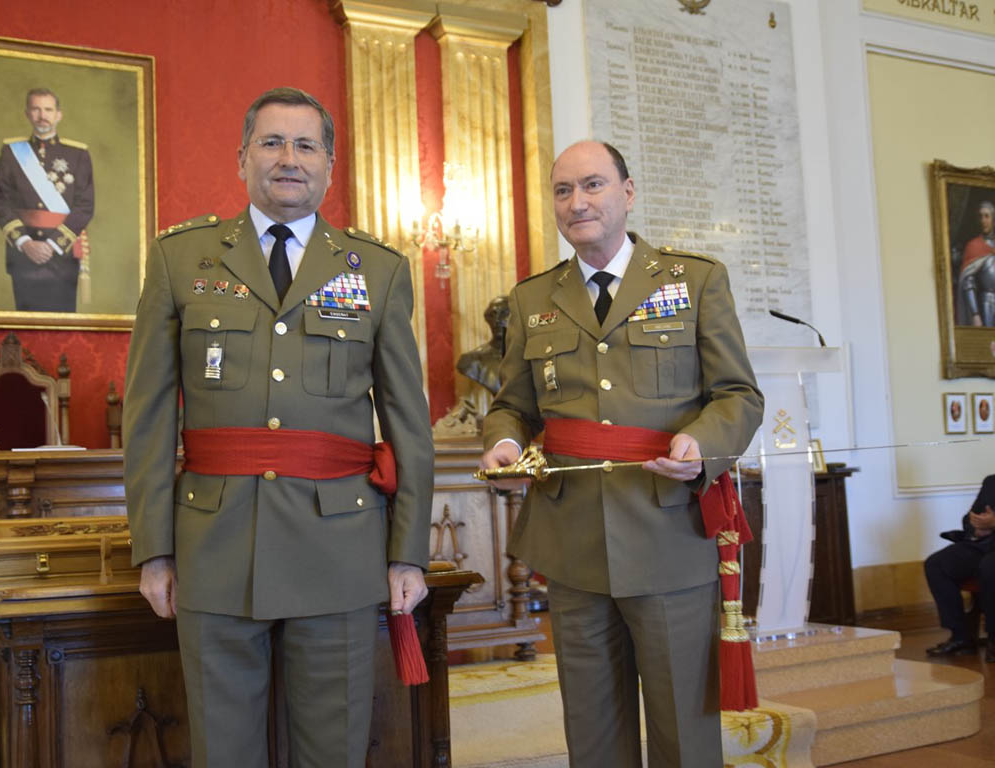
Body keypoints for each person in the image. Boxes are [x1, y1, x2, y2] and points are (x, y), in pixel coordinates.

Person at [123, 86, 434, 768]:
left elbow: (410, 423)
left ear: (329, 165)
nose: (288, 159)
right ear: (242, 159)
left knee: (334, 749)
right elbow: (147, 414)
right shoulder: (181, 259)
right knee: (223, 750)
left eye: (305, 145)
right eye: (271, 142)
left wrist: (407, 549)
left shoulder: (376, 271)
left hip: (340, 547)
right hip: (214, 545)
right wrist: (153, 547)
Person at [479, 140, 763, 768]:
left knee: (682, 732)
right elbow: (512, 406)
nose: (577, 202)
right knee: (593, 732)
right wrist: (502, 442)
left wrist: (702, 445)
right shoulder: (532, 300)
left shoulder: (694, 280)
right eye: (562, 191)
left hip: (667, 532)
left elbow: (738, 396)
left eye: (593, 185)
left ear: (627, 194)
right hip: (572, 541)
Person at [0, 88, 94, 312]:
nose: (42, 115)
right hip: (23, 254)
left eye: (48, 109)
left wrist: (53, 244)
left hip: (63, 254)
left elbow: (85, 206)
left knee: (61, 332)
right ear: (27, 113)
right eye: (36, 109)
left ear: (59, 115)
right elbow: (1, 200)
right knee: (26, 329)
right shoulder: (11, 152)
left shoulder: (78, 155)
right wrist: (25, 243)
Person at [924, 475, 995, 662]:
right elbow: (969, 517)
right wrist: (975, 527)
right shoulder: (992, 482)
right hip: (984, 545)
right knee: (937, 564)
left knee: (989, 567)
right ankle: (961, 636)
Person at [456, 294, 510, 395]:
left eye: (504, 313)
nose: (498, 320)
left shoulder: (528, 358)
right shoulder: (471, 361)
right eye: (493, 314)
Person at [956, 201, 995, 327]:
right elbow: (968, 281)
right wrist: (975, 314)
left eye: (987, 216)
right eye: (980, 216)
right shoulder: (973, 246)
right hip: (986, 303)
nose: (983, 220)